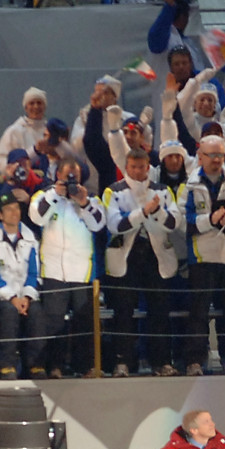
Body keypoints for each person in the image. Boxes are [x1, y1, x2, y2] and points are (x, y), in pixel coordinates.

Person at [102, 148, 183, 377]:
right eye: (133, 167)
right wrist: (143, 213)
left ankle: (161, 361)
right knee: (123, 311)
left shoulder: (163, 190)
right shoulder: (113, 191)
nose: (138, 171)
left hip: (155, 256)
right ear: (126, 167)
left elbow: (174, 222)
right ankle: (123, 362)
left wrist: (156, 212)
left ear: (149, 167)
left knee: (159, 310)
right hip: (125, 256)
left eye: (142, 167)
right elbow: (115, 225)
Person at [179, 135, 225, 376]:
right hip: (202, 258)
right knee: (198, 313)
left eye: (221, 155)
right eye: (212, 155)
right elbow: (181, 222)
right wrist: (209, 220)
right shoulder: (189, 186)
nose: (217, 160)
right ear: (200, 156)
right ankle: (194, 361)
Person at [28, 158, 106, 378]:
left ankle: (86, 366)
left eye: (75, 178)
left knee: (84, 321)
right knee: (54, 322)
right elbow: (37, 217)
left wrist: (83, 203)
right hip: (53, 270)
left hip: (82, 271)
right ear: (58, 176)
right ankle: (55, 366)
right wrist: (56, 194)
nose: (72, 182)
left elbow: (99, 224)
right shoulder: (43, 195)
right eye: (67, 177)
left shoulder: (91, 198)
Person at [0, 191, 45, 380]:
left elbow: (34, 273)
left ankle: (35, 365)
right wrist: (11, 298)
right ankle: (7, 365)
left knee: (36, 312)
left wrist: (26, 296)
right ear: (1, 215)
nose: (14, 213)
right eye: (9, 210)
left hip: (23, 296)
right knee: (8, 312)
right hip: (3, 296)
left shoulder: (30, 238)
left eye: (16, 208)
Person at [0, 88, 48, 161]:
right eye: (31, 103)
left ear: (44, 107)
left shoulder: (51, 131)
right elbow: (2, 158)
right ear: (26, 108)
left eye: (39, 103)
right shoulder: (13, 132)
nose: (36, 107)